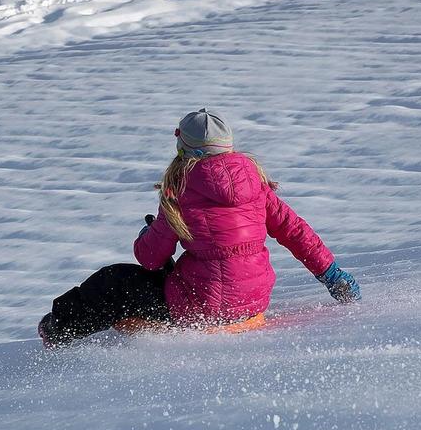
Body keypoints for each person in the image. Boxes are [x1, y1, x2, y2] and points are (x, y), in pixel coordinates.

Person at [38, 108, 360, 347]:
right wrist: (332, 276)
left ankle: (59, 330)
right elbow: (295, 232)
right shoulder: (257, 184)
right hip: (251, 303)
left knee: (114, 282)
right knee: (185, 272)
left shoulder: (180, 189)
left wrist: (146, 237)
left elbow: (149, 259)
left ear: (185, 151)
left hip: (201, 308)